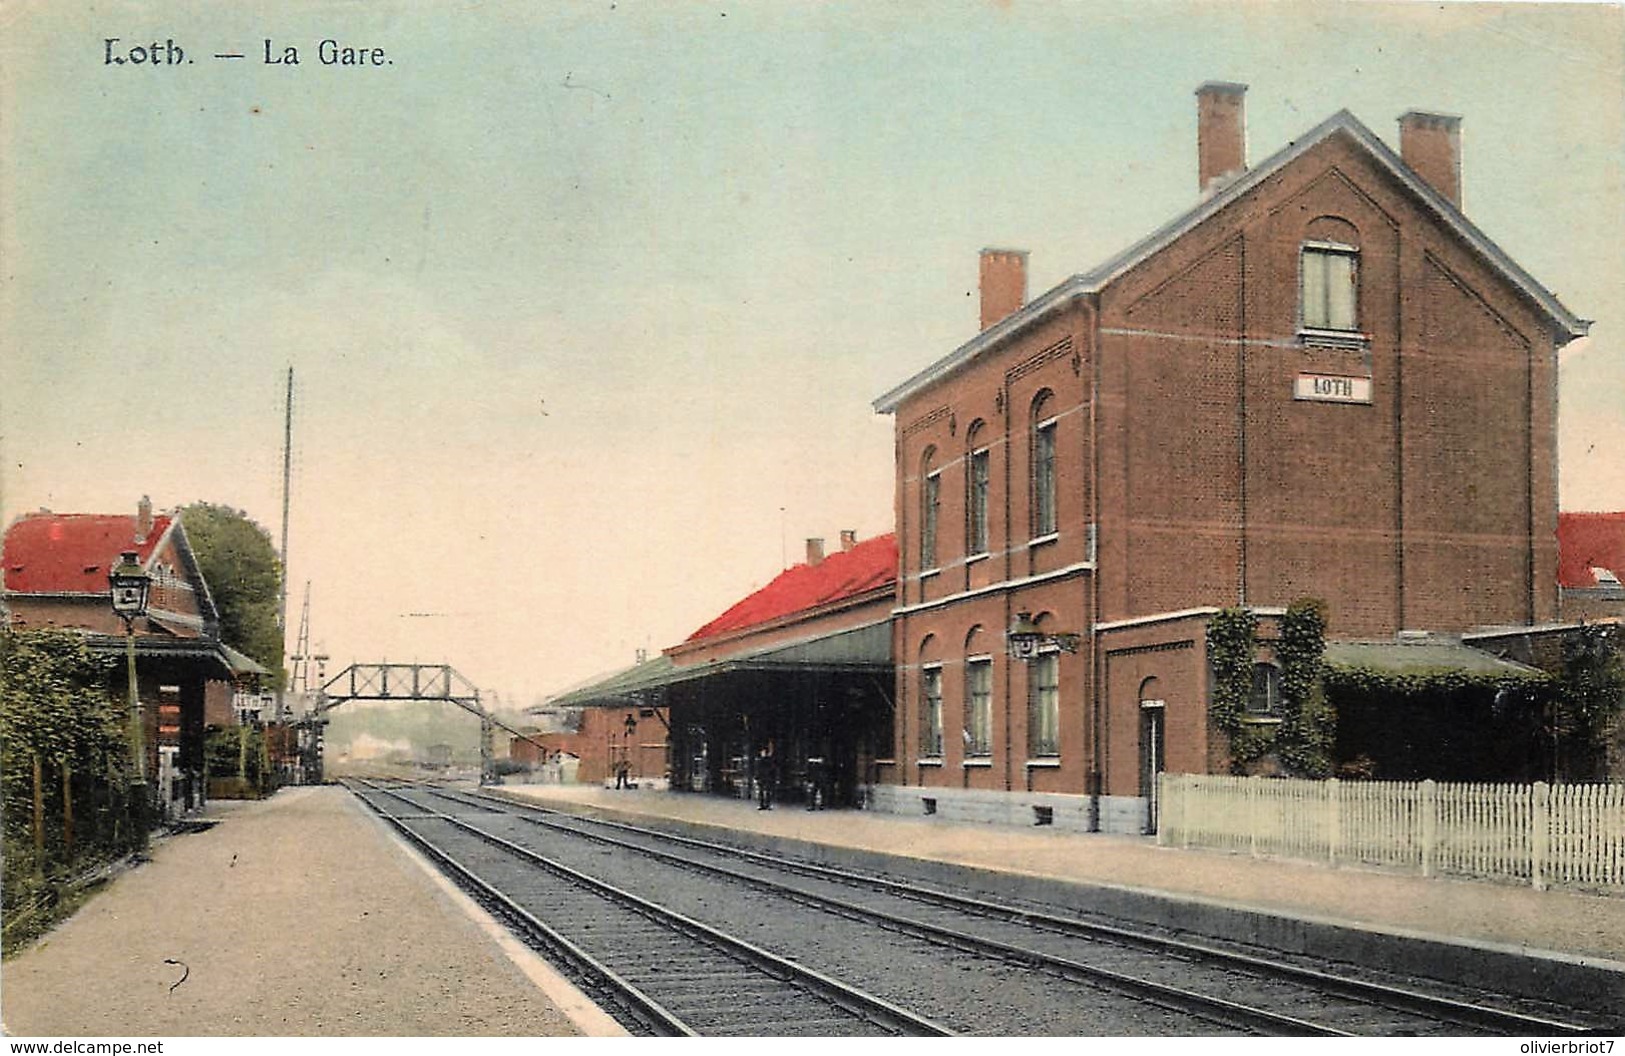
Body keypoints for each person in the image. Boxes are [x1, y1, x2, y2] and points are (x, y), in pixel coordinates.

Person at [756, 741, 776, 810]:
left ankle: (767, 804)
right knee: (762, 790)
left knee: (768, 791)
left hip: (768, 776)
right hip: (763, 775)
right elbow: (759, 767)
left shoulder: (771, 758)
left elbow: (772, 767)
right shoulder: (762, 759)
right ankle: (762, 804)